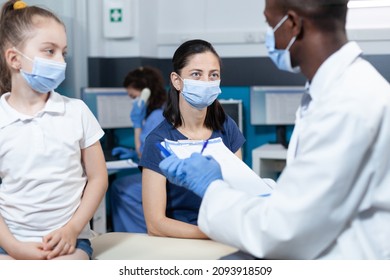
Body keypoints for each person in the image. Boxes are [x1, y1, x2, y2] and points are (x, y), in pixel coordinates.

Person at [159, 0, 390, 259]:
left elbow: (281, 232)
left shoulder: (346, 103)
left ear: (292, 24)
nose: (270, 37)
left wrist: (211, 188)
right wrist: (274, 193)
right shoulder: (339, 88)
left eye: (271, 25)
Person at [0, 0, 108, 260]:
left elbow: (98, 178)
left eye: (63, 52)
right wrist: (13, 246)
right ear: (15, 58)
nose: (60, 61)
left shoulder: (77, 111)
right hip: (9, 242)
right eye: (49, 51)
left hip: (69, 243)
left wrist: (72, 229)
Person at [138, 39, 245, 239]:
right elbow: (155, 224)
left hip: (227, 233)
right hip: (185, 240)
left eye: (213, 75)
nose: (206, 82)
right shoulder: (159, 141)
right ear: (177, 81)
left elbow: (238, 191)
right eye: (196, 74)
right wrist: (210, 234)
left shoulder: (226, 127)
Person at [110, 66, 167, 233]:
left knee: (120, 188)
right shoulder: (163, 110)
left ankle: (140, 233)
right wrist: (134, 153)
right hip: (165, 173)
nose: (133, 101)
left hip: (165, 179)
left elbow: (145, 154)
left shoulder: (156, 116)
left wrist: (136, 124)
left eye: (134, 97)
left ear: (146, 93)